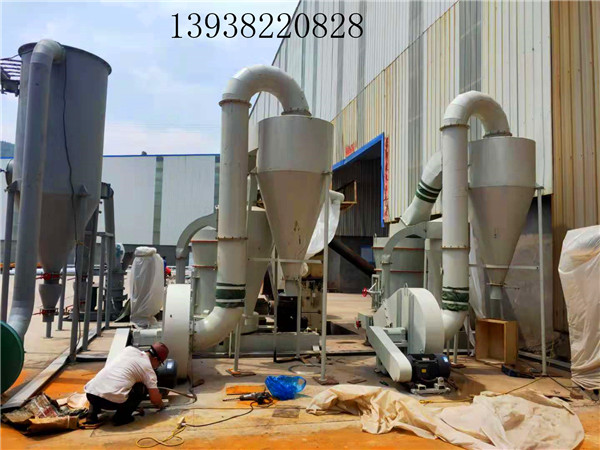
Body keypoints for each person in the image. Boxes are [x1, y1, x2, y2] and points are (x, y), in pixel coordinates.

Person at [84, 342, 169, 425]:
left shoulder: (129, 350)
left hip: (91, 395)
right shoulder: (148, 371)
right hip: (110, 402)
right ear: (155, 359)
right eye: (159, 364)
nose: (157, 367)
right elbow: (154, 400)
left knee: (103, 382)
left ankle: (92, 414)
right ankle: (121, 417)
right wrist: (161, 404)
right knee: (141, 387)